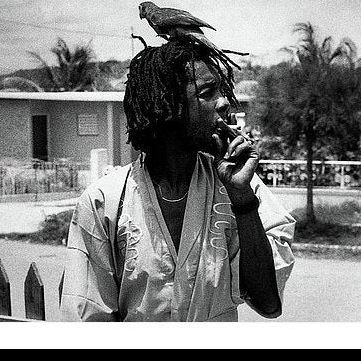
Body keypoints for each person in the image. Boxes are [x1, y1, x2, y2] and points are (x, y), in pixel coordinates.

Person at [60, 37, 295, 322]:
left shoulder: (239, 186)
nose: (223, 103)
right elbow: (87, 318)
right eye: (208, 92)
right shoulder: (105, 201)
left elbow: (269, 304)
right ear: (168, 105)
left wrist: (243, 202)